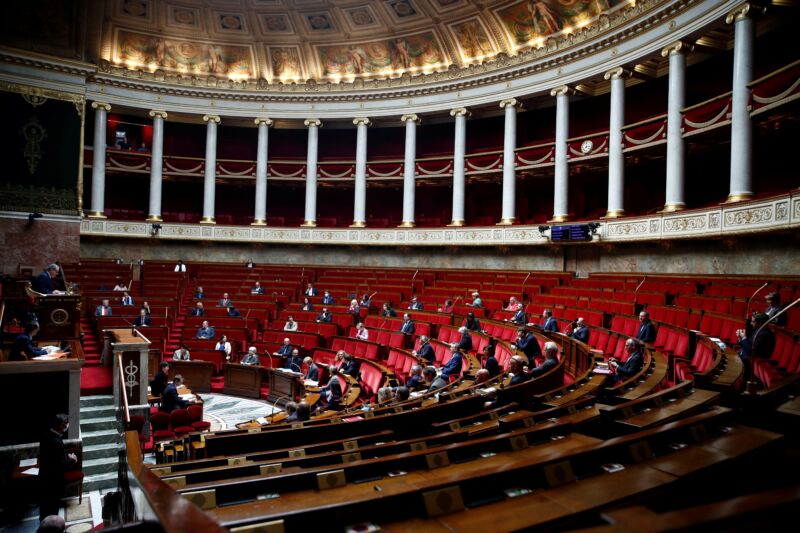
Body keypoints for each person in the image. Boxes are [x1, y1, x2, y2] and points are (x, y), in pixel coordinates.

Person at [38, 414, 77, 520]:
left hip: (44, 479)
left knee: (45, 509)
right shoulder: (56, 442)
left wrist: (65, 457)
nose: (68, 425)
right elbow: (61, 465)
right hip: (53, 482)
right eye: (67, 424)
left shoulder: (46, 435)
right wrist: (72, 459)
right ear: (61, 426)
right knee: (52, 510)